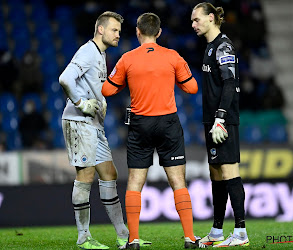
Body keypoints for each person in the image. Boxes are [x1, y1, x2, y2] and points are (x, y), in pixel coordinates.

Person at [102, 12, 207, 249]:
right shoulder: (172, 57)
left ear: (137, 32)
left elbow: (107, 91)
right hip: (168, 122)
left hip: (140, 124)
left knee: (135, 182)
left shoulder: (127, 59)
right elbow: (192, 88)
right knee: (178, 181)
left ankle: (134, 240)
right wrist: (174, 78)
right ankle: (190, 238)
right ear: (159, 33)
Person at [59, 11, 151, 250]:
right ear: (101, 29)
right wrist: (81, 103)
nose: (118, 34)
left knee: (109, 173)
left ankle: (124, 235)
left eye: (119, 31)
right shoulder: (88, 51)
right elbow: (65, 78)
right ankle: (83, 237)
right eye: (114, 30)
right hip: (79, 121)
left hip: (93, 124)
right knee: (86, 176)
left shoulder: (100, 54)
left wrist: (100, 102)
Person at [191, 2, 250, 247]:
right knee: (216, 173)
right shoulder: (209, 48)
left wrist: (221, 118)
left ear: (211, 18)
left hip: (222, 120)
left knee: (229, 171)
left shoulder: (223, 46)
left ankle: (240, 232)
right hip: (212, 119)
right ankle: (216, 231)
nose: (193, 24)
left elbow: (229, 83)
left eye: (196, 19)